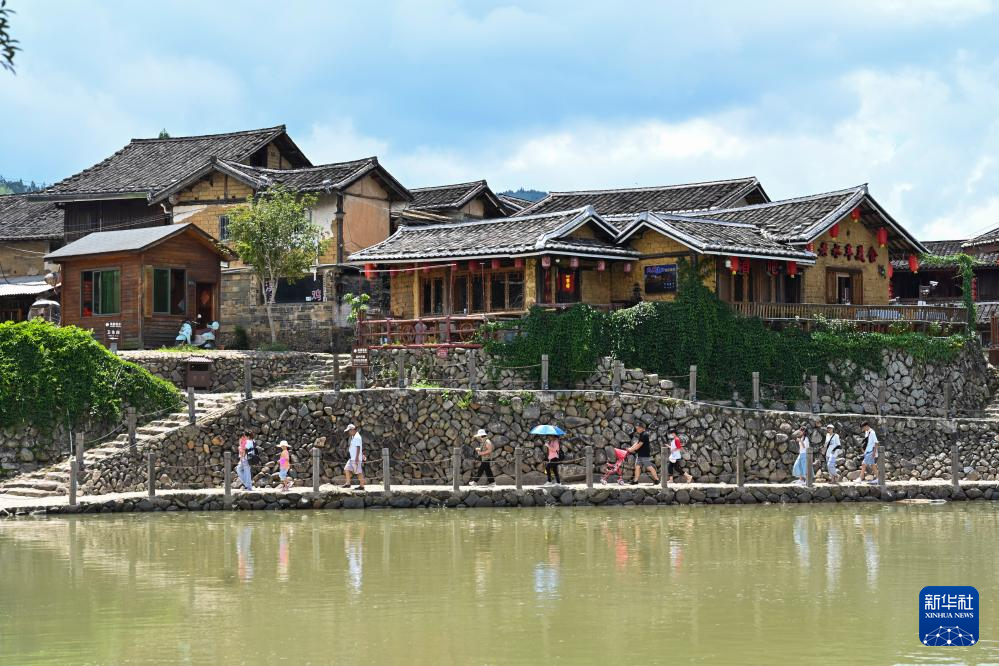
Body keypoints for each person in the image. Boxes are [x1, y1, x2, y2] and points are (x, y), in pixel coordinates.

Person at [342, 424, 366, 491]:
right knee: (346, 469)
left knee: (358, 472)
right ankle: (348, 483)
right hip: (352, 458)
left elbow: (358, 447)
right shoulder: (353, 436)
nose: (348, 432)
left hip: (355, 458)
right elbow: (358, 447)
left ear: (352, 430)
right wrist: (362, 455)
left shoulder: (357, 437)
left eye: (349, 431)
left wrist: (357, 458)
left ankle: (362, 486)